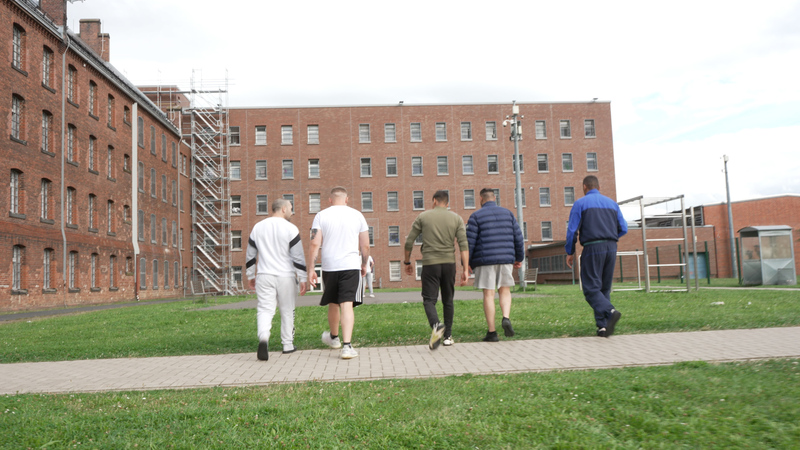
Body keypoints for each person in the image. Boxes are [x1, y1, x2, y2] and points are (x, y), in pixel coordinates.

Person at [306, 187, 370, 359]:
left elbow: (314, 244)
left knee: (333, 302)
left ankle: (334, 339)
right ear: (347, 199)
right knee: (346, 303)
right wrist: (364, 264)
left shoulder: (321, 215)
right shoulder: (357, 215)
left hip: (329, 266)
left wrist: (311, 268)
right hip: (350, 265)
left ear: (329, 200)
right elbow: (365, 245)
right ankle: (347, 346)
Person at [404, 190, 469, 349]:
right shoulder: (456, 218)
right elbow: (463, 245)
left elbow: (409, 241)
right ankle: (448, 336)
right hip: (449, 264)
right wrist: (465, 269)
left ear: (434, 200)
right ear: (447, 203)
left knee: (429, 299)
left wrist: (407, 262)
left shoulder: (423, 217)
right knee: (448, 299)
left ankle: (436, 325)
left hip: (430, 264)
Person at [565, 175, 628, 337]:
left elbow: (572, 231)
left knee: (591, 288)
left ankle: (610, 311)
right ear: (598, 187)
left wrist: (570, 251)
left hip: (593, 248)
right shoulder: (612, 204)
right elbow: (624, 228)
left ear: (584, 187)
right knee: (604, 288)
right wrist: (610, 238)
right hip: (611, 247)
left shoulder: (580, 203)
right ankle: (603, 327)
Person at [246, 198, 308, 361]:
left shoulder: (257, 227)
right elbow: (298, 256)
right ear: (283, 209)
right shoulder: (290, 228)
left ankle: (264, 338)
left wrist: (250, 275)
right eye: (291, 209)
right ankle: (287, 345)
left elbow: (250, 254)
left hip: (264, 275)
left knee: (265, 309)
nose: (292, 212)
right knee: (287, 310)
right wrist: (303, 277)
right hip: (286, 276)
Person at [467, 188, 525, 342]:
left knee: (489, 294)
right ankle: (506, 317)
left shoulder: (475, 216)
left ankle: (492, 332)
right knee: (505, 291)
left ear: (481, 199)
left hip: (485, 260)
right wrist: (519, 258)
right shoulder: (508, 214)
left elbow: (470, 242)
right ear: (494, 198)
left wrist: (467, 263)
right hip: (506, 259)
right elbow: (518, 238)